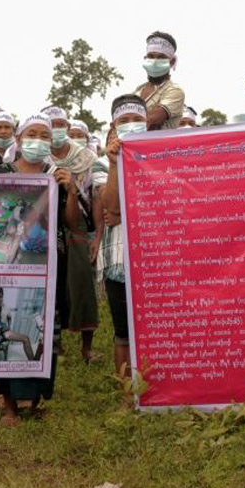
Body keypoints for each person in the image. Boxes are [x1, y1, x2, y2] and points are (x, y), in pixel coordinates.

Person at [0, 113, 81, 425]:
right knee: (13, 324)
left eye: (44, 135)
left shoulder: (58, 176)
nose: (38, 140)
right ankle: (10, 406)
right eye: (32, 134)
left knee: (44, 331)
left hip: (49, 267)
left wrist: (73, 191)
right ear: (17, 140)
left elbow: (71, 223)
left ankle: (36, 399)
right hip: (11, 268)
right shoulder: (0, 173)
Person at [42, 106, 100, 362]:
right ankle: (55, 345)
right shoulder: (34, 157)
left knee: (83, 285)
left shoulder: (85, 158)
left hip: (77, 228)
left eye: (61, 124)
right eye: (51, 124)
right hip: (45, 229)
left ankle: (87, 348)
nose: (56, 129)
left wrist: (97, 236)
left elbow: (96, 198)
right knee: (51, 288)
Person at [101, 95, 148, 376]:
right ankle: (126, 395)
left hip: (154, 255)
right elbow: (112, 208)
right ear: (113, 125)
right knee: (123, 331)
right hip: (119, 258)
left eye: (137, 120)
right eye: (124, 121)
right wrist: (114, 164)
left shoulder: (162, 156)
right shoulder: (103, 160)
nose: (131, 125)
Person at [135, 31, 185, 130]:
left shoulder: (174, 91)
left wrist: (128, 121)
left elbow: (151, 121)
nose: (154, 62)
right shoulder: (137, 91)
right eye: (151, 56)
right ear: (145, 59)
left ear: (172, 62)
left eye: (161, 57)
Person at [0, 287, 36, 362]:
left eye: (0, 297)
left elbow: (9, 317)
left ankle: (33, 363)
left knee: (26, 338)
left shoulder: (6, 307)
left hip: (4, 331)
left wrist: (9, 327)